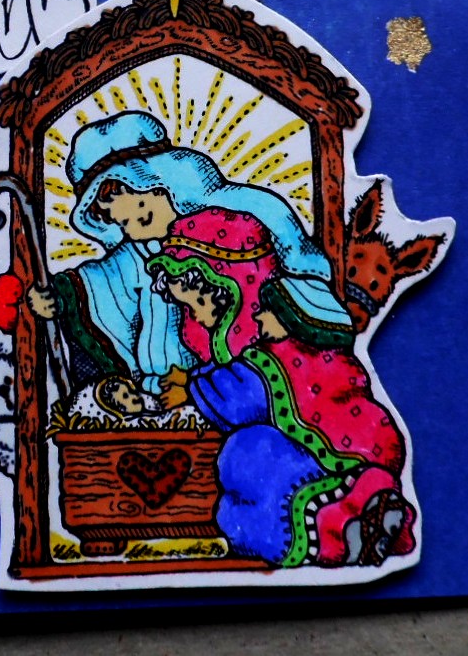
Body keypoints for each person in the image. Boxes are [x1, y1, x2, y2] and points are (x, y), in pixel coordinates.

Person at [147, 207, 416, 568]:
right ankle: (359, 519)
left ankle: (337, 530)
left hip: (328, 458)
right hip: (354, 452)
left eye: (267, 311)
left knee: (249, 453)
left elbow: (241, 395)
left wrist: (190, 391)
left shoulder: (279, 357)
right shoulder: (317, 357)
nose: (258, 315)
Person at [29, 111, 351, 394]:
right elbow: (100, 282)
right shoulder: (138, 251)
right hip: (159, 387)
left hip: (238, 379)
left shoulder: (227, 228)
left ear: (164, 183)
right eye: (124, 223)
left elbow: (280, 257)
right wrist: (59, 296)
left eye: (144, 213)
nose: (136, 229)